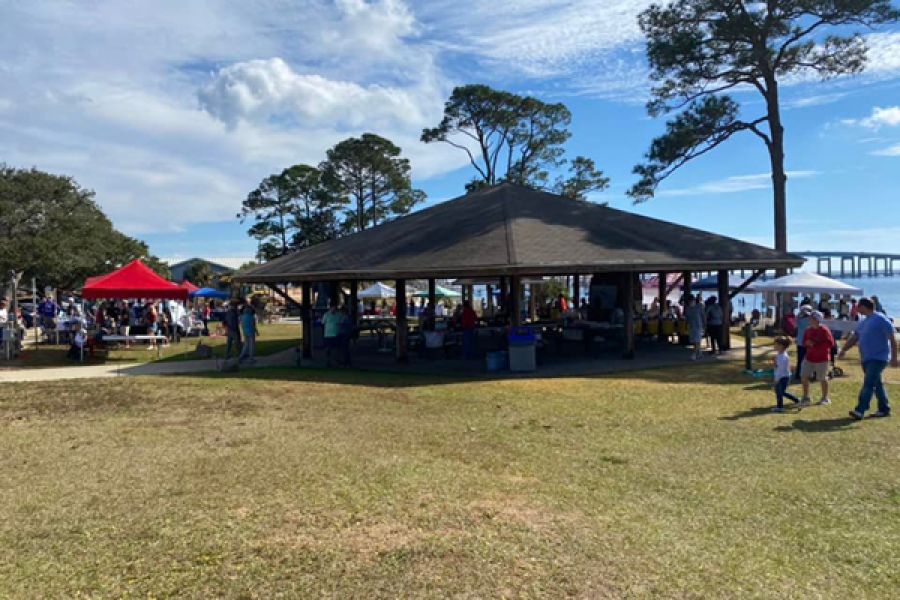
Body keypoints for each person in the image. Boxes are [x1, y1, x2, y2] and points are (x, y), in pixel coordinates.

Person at [839, 297, 897, 420]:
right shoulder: (864, 321)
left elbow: (892, 337)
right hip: (866, 358)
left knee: (868, 383)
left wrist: (894, 357)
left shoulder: (880, 319)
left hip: (879, 358)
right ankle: (884, 408)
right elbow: (855, 337)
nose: (857, 309)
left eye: (858, 306)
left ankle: (860, 410)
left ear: (864, 307)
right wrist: (844, 350)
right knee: (877, 384)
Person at [799, 310, 834, 406]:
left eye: (812, 318)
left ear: (817, 320)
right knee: (803, 376)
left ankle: (825, 398)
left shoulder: (824, 330)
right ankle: (806, 397)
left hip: (822, 358)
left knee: (822, 378)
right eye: (810, 318)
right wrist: (807, 343)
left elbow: (830, 344)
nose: (810, 320)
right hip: (809, 357)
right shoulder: (807, 330)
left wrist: (815, 344)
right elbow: (804, 342)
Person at [771, 336, 801, 412]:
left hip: (783, 377)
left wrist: (776, 380)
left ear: (781, 346)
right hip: (781, 376)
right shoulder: (779, 355)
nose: (774, 346)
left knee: (782, 392)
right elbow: (777, 367)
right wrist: (774, 363)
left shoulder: (783, 357)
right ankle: (779, 406)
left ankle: (797, 400)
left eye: (776, 344)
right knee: (778, 392)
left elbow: (781, 370)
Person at [793, 305, 813, 380]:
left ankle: (799, 374)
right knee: (805, 360)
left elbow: (795, 326)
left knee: (801, 360)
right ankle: (802, 374)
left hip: (802, 343)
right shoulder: (808, 320)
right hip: (804, 343)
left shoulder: (799, 319)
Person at [322, 303, 343, 367]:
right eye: (332, 308)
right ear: (330, 308)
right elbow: (323, 323)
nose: (334, 309)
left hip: (336, 334)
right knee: (328, 349)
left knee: (337, 349)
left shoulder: (339, 315)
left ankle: (337, 361)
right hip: (328, 335)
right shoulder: (326, 315)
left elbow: (341, 323)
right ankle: (328, 361)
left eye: (335, 308)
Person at [684, 295, 705, 360]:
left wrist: (704, 325)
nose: (691, 302)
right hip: (691, 327)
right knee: (695, 341)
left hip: (698, 326)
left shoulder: (699, 307)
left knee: (697, 340)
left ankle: (694, 354)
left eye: (692, 301)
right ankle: (699, 353)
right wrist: (686, 327)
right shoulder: (688, 309)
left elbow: (703, 316)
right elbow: (687, 319)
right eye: (689, 301)